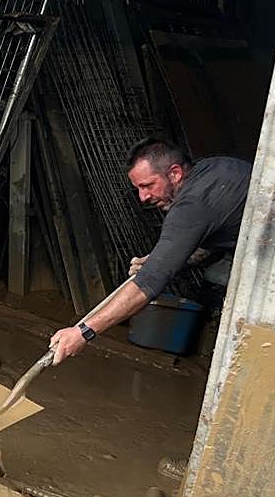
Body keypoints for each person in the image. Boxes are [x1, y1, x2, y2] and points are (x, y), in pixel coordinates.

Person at [48, 139, 252, 364]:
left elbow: (150, 282)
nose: (142, 197)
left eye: (147, 185)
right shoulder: (213, 169)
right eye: (138, 188)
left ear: (174, 173)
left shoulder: (190, 206)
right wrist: (158, 260)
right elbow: (211, 243)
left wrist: (83, 332)